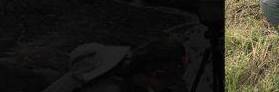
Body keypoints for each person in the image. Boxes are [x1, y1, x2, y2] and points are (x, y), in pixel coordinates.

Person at [42, 36, 189, 92]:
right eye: (174, 74)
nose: (176, 80)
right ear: (158, 71)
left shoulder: (124, 71)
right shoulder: (107, 87)